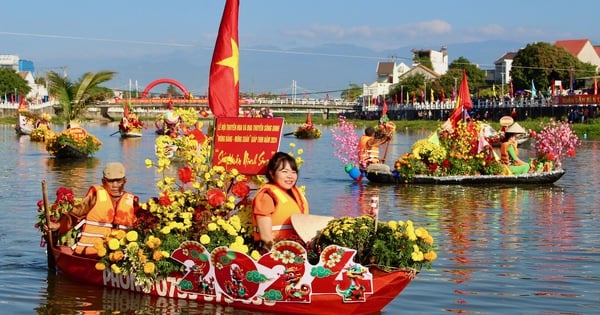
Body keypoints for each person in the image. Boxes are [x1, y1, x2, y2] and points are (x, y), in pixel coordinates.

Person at [50, 162, 140, 256]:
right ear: (103, 181)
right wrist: (58, 225)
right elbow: (75, 214)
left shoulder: (132, 200)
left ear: (124, 181)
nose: (115, 185)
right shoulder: (95, 196)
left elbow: (141, 224)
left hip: (122, 255)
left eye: (119, 181)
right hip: (92, 252)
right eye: (110, 181)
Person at [252, 152, 309, 252]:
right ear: (271, 173)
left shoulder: (295, 193)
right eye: (284, 171)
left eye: (293, 172)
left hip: (297, 250)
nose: (290, 176)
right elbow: (266, 237)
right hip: (275, 252)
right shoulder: (267, 196)